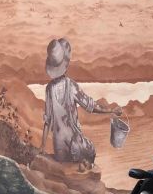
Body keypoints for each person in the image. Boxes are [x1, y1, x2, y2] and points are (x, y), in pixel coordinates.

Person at [39, 38, 121, 171]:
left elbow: (47, 121)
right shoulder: (71, 86)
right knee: (90, 150)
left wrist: (42, 146)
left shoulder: (48, 89)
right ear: (65, 64)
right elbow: (91, 106)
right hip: (75, 146)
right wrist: (111, 111)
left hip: (59, 149)